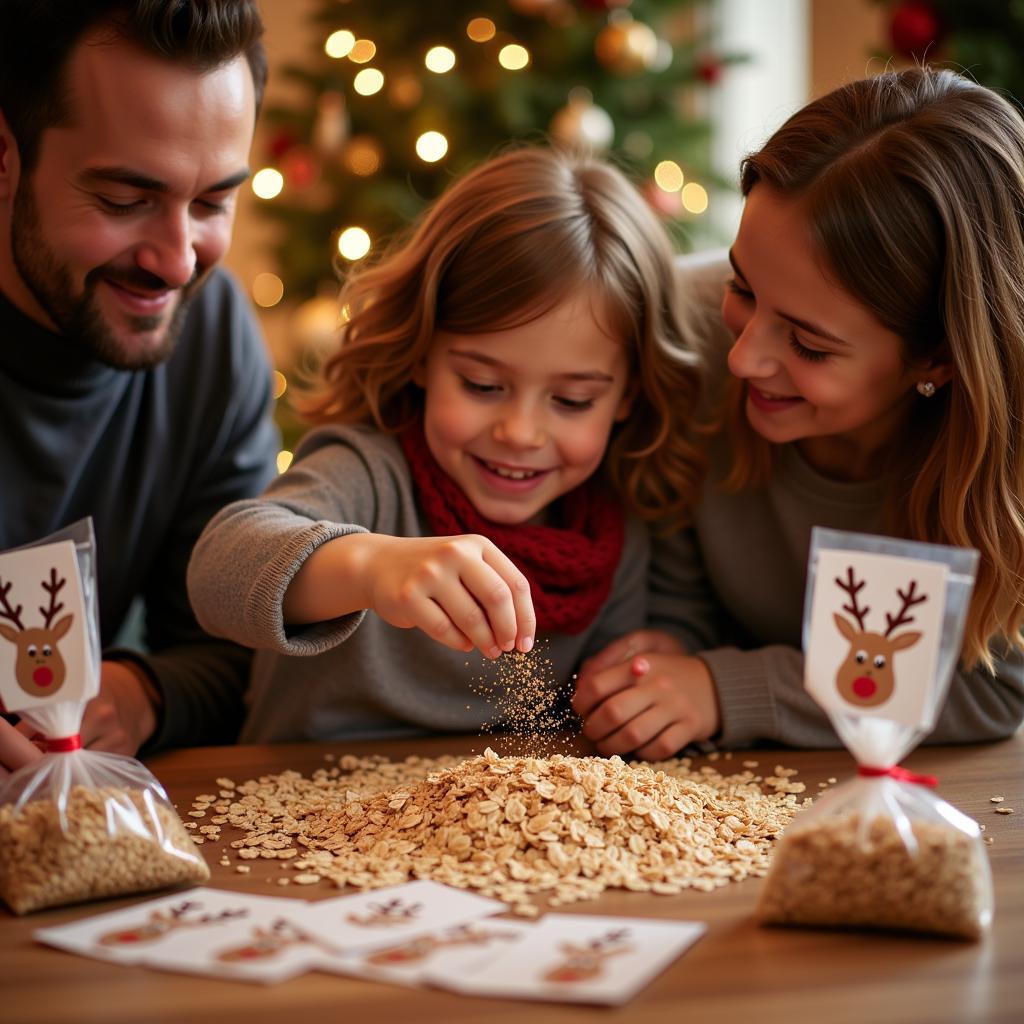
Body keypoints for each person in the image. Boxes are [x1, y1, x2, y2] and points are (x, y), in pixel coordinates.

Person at [574, 67, 1024, 758]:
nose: (743, 359)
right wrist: (670, 648)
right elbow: (679, 591)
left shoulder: (1003, 463)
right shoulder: (684, 340)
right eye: (740, 286)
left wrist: (731, 688)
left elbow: (992, 688)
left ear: (939, 358)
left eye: (810, 344)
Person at [186, 146, 704, 743]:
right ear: (422, 355)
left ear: (629, 397)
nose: (520, 432)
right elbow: (217, 571)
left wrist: (664, 659)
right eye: (482, 385)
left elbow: (680, 634)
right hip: (306, 822)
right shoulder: (369, 475)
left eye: (572, 401)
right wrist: (368, 566)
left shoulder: (614, 525)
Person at [0, 0, 280, 767]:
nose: (178, 261)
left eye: (213, 203)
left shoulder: (211, 333)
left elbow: (233, 640)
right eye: (126, 202)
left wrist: (141, 694)